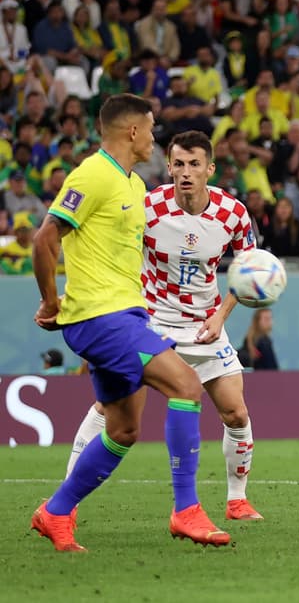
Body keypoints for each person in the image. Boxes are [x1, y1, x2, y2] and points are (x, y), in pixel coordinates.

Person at [30, 95, 230, 551]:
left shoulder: (135, 186)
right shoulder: (92, 175)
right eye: (152, 127)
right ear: (133, 132)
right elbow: (45, 237)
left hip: (126, 314)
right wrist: (51, 301)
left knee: (123, 429)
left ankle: (55, 513)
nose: (156, 136)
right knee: (185, 386)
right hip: (101, 317)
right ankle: (187, 511)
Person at [62, 130, 263, 521]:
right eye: (179, 164)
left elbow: (247, 269)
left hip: (206, 326)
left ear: (210, 168)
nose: (186, 172)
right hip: (150, 324)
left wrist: (221, 315)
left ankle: (237, 500)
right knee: (110, 408)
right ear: (168, 166)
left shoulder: (233, 212)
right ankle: (67, 500)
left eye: (194, 164)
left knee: (236, 413)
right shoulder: (147, 207)